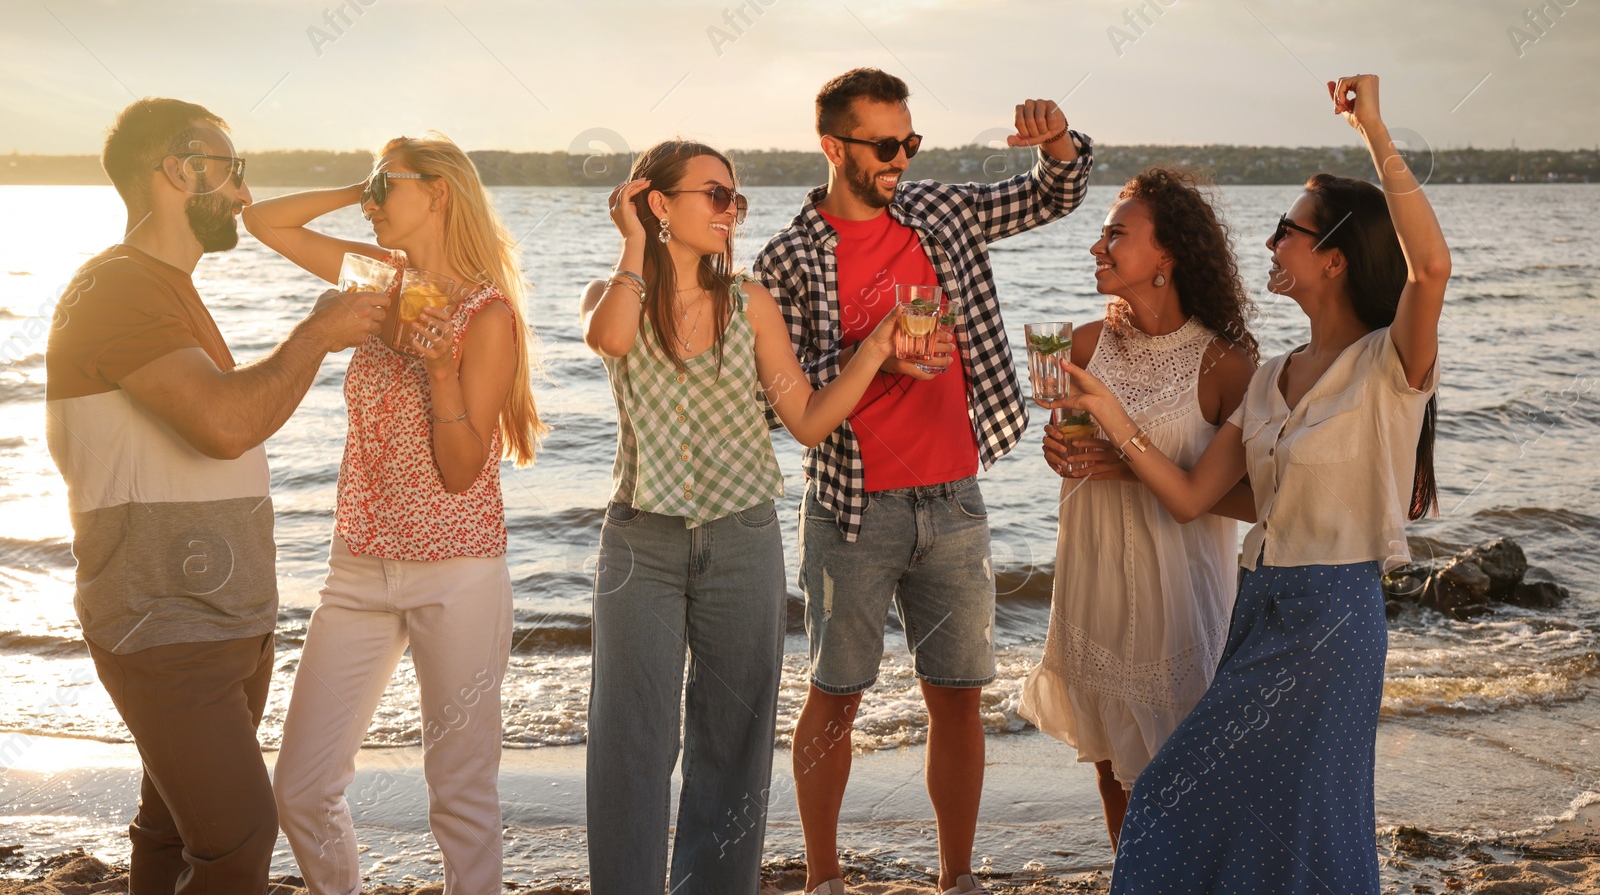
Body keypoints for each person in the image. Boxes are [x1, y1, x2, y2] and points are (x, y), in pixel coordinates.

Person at [1057, 75, 1448, 894]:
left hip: (1333, 617)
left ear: (1333, 257)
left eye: (1287, 229)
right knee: (1219, 806)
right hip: (1257, 608)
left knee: (1275, 809)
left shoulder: (1387, 368)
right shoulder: (1270, 377)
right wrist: (1109, 418)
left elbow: (1431, 265)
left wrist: (1372, 127)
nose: (1271, 244)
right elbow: (1193, 497)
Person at [753, 67, 1095, 895]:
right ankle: (824, 878)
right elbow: (780, 408)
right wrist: (879, 356)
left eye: (909, 140)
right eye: (883, 144)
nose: (901, 156)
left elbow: (1053, 194)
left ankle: (957, 878)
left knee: (958, 698)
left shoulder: (939, 210)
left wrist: (1057, 141)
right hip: (851, 505)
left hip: (954, 496)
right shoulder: (789, 259)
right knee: (836, 694)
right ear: (833, 146)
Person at [44, 98, 386, 894]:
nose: (242, 193)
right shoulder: (117, 287)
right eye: (230, 170)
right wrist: (317, 334)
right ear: (175, 171)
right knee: (238, 843)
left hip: (219, 625)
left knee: (170, 829)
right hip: (166, 626)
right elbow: (226, 423)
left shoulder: (163, 287)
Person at [578, 139, 900, 895]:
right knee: (630, 742)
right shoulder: (610, 290)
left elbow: (809, 419)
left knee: (733, 744)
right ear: (659, 203)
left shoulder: (751, 303)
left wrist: (877, 349)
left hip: (742, 538)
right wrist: (634, 243)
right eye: (714, 195)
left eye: (736, 199)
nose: (732, 211)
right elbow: (610, 339)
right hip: (640, 543)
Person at [242, 132, 545, 895]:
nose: (375, 199)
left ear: (439, 192)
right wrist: (362, 190)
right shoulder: (375, 277)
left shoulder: (488, 315)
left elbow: (460, 468)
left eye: (389, 185)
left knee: (460, 791)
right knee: (302, 788)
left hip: (459, 572)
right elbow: (265, 224)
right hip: (358, 569)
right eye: (372, 185)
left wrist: (440, 371)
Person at [1019, 167, 1259, 851]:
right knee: (1112, 773)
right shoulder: (1085, 345)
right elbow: (1074, 452)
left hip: (1177, 599)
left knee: (1186, 779)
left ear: (1168, 253)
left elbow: (1250, 498)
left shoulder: (1225, 366)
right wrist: (1058, 453)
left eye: (1116, 234)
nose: (1099, 247)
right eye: (1100, 234)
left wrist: (1126, 465)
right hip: (1094, 583)